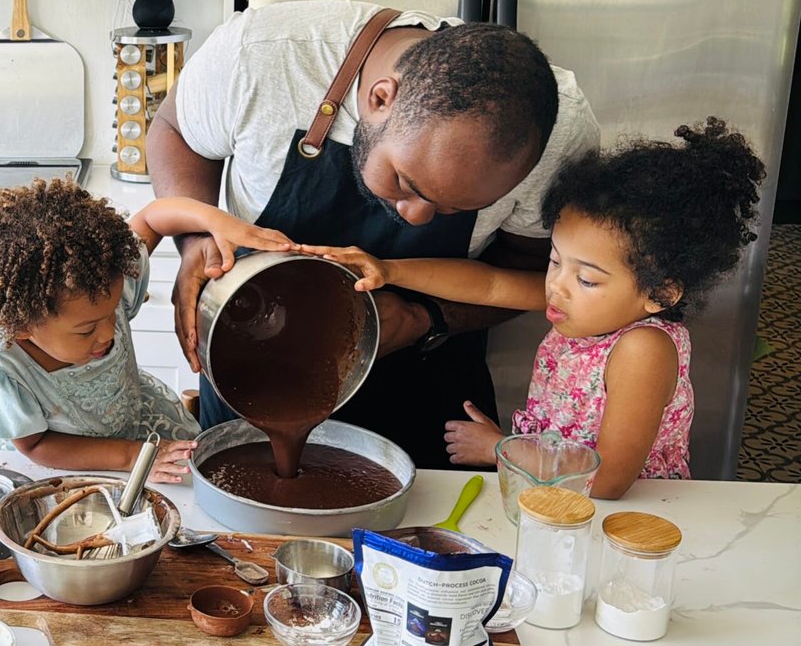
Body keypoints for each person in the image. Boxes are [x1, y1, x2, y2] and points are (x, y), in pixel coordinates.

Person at [148, 0, 599, 470]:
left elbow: (528, 272)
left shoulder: (557, 135)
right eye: (406, 183)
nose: (419, 217)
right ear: (380, 98)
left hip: (426, 389)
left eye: (457, 208)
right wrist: (195, 237)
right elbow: (174, 129)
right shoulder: (260, 56)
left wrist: (424, 317)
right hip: (253, 362)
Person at [300, 118, 765, 497]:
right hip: (556, 498)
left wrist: (501, 450)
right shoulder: (587, 309)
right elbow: (488, 283)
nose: (556, 287)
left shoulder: (642, 350)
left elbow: (605, 480)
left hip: (624, 522)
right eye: (555, 261)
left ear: (660, 294)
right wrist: (390, 270)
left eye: (586, 278)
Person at [0, 179, 290, 481]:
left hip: (132, 427)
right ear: (22, 328)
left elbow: (154, 218)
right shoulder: (1, 372)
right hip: (62, 462)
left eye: (112, 314)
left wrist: (218, 221)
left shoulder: (98, 285)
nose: (109, 333)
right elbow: (37, 445)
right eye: (86, 330)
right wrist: (130, 456)